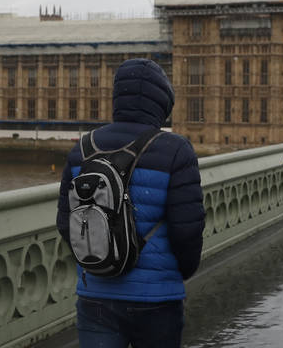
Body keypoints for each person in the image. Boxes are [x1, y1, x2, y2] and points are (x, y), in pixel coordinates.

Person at [56, 58, 205, 347]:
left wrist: (97, 261)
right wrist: (176, 273)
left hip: (95, 293)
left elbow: (66, 224)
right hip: (157, 296)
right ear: (162, 102)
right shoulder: (176, 149)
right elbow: (187, 230)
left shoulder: (83, 148)